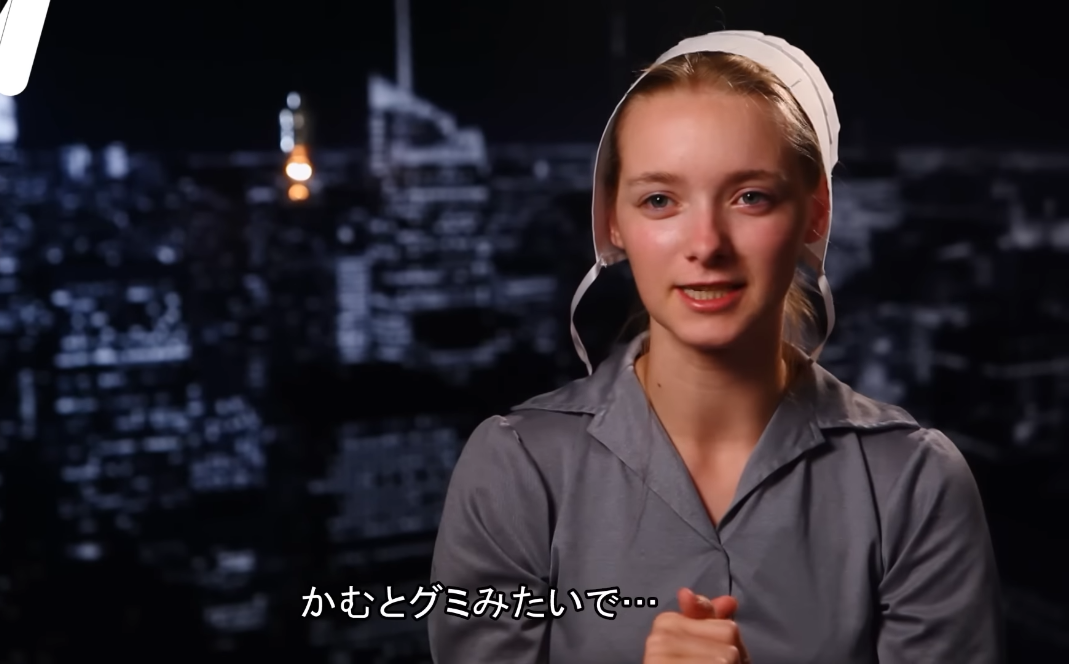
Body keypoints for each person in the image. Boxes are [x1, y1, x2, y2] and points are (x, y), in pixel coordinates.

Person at [427, 30, 1005, 664]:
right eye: (659, 200)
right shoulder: (515, 470)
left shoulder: (914, 483)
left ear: (815, 213)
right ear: (612, 220)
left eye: (750, 196)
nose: (706, 244)